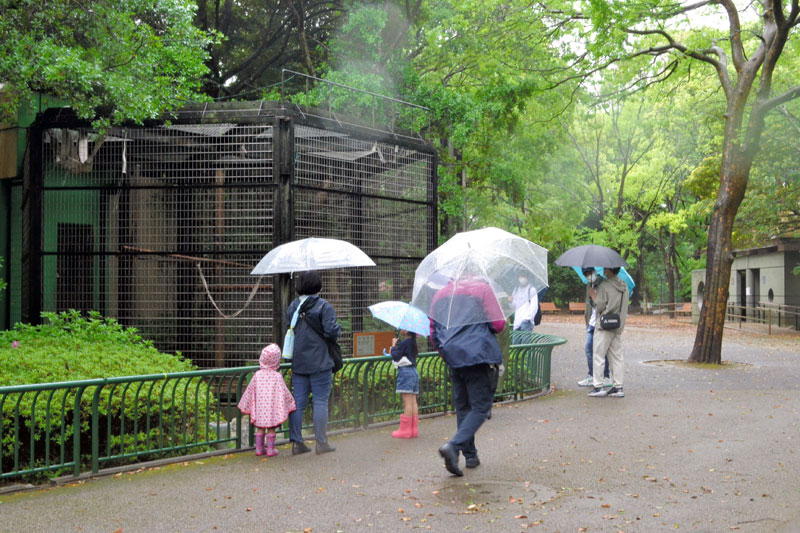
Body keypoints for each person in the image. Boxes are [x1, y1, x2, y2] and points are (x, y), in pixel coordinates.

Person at [430, 276, 505, 476]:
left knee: (463, 407)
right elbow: (498, 324)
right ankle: (453, 446)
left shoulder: (439, 294)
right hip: (478, 355)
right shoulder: (482, 289)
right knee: (480, 407)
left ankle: (470, 456)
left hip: (453, 356)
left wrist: (446, 353)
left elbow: (433, 333)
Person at [286, 271, 342, 455]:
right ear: (318, 285)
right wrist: (338, 329)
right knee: (320, 401)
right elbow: (331, 332)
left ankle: (297, 443)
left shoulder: (293, 306)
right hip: (320, 361)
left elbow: (289, 327)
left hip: (299, 362)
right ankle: (321, 443)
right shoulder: (324, 306)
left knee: (298, 402)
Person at [237, 344, 296, 457]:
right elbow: (284, 392)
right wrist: (291, 402)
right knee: (271, 429)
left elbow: (249, 391)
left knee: (260, 428)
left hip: (259, 409)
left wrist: (245, 404)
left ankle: (259, 449)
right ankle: (270, 450)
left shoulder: (257, 375)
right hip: (272, 409)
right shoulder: (277, 376)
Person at [588, 267, 629, 398]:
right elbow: (624, 307)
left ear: (609, 270)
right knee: (617, 357)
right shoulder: (624, 286)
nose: (604, 270)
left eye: (606, 268)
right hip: (617, 325)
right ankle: (618, 387)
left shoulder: (604, 285)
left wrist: (593, 296)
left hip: (603, 325)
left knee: (598, 355)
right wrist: (620, 326)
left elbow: (599, 306)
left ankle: (598, 386)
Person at [577, 268, 610, 387]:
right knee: (589, 349)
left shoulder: (603, 284)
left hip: (601, 323)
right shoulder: (589, 285)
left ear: (595, 272)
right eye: (585, 274)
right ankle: (592, 375)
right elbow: (589, 306)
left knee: (602, 351)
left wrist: (594, 296)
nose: (588, 276)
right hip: (591, 323)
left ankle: (606, 376)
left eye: (589, 273)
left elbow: (603, 305)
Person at [388, 329, 420, 439]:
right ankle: (413, 430)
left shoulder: (405, 342)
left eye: (402, 327)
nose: (400, 329)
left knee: (407, 402)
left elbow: (396, 356)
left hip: (405, 372)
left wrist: (393, 346)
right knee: (413, 401)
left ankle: (405, 431)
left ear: (406, 331)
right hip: (413, 372)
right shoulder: (413, 342)